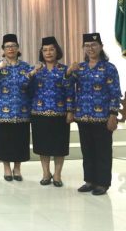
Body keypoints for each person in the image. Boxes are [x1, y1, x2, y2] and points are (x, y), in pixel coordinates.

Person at [67, 33, 121, 196]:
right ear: (83, 48)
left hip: (102, 117)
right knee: (87, 150)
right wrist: (69, 72)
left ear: (101, 47)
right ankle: (89, 180)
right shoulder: (80, 68)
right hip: (83, 116)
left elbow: (115, 93)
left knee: (103, 151)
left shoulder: (109, 68)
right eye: (87, 46)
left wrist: (113, 115)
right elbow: (67, 87)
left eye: (94, 45)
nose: (90, 48)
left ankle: (102, 183)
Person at [27, 36, 73, 187]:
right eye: (45, 50)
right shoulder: (36, 70)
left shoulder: (65, 70)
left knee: (59, 146)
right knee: (43, 146)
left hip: (60, 114)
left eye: (51, 49)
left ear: (57, 51)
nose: (48, 52)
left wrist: (70, 110)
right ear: (41, 53)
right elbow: (26, 89)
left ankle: (58, 174)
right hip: (39, 113)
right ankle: (46, 173)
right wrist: (32, 74)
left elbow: (70, 92)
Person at [0, 34, 32, 182]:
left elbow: (31, 87)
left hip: (22, 110)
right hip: (2, 110)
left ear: (18, 48)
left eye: (13, 46)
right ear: (3, 49)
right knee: (4, 140)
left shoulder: (26, 67)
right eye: (7, 46)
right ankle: (6, 168)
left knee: (20, 140)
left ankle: (17, 168)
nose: (10, 49)